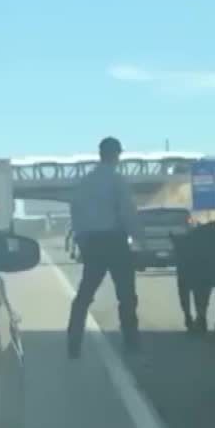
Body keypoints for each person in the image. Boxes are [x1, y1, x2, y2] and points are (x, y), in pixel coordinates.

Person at [66, 136, 144, 356]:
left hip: (92, 242)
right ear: (116, 155)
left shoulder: (86, 181)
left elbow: (76, 212)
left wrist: (81, 240)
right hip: (114, 240)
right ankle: (131, 340)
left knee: (84, 294)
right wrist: (139, 238)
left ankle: (74, 341)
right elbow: (127, 212)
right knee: (126, 295)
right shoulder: (117, 180)